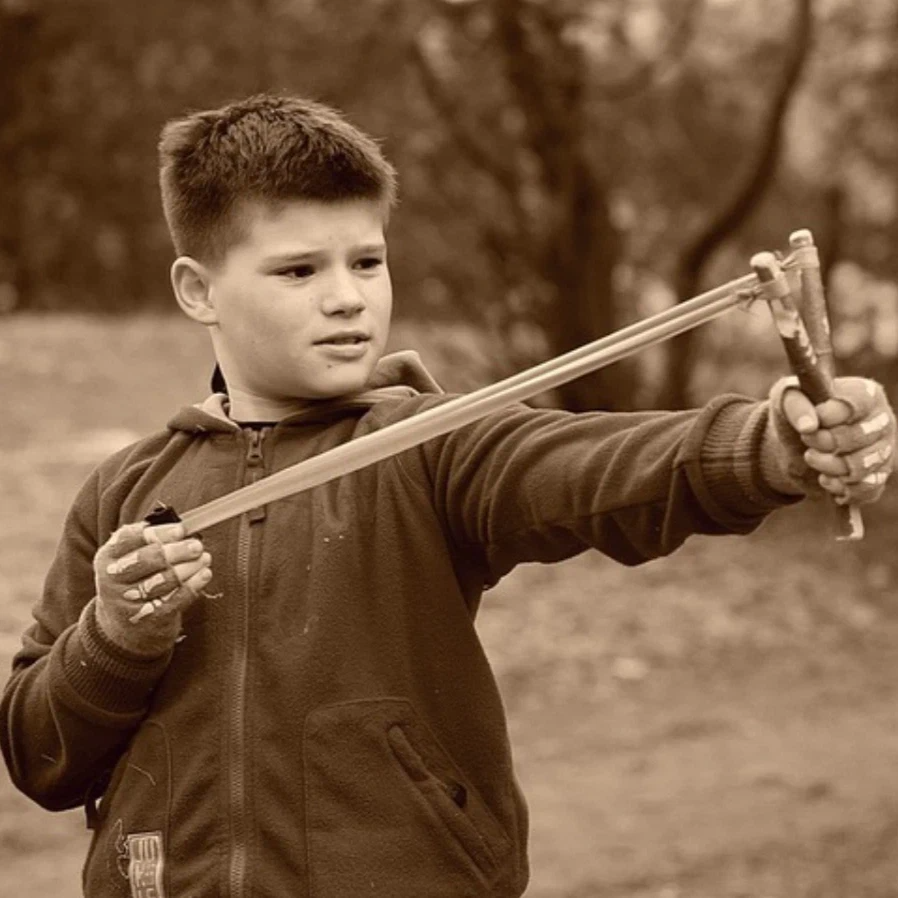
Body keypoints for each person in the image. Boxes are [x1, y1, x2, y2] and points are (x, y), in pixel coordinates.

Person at [1, 94, 894, 898]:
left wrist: (775, 446)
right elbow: (42, 756)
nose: (348, 299)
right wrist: (115, 640)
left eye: (368, 262)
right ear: (200, 290)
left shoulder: (435, 444)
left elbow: (601, 468)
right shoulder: (126, 491)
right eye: (299, 272)